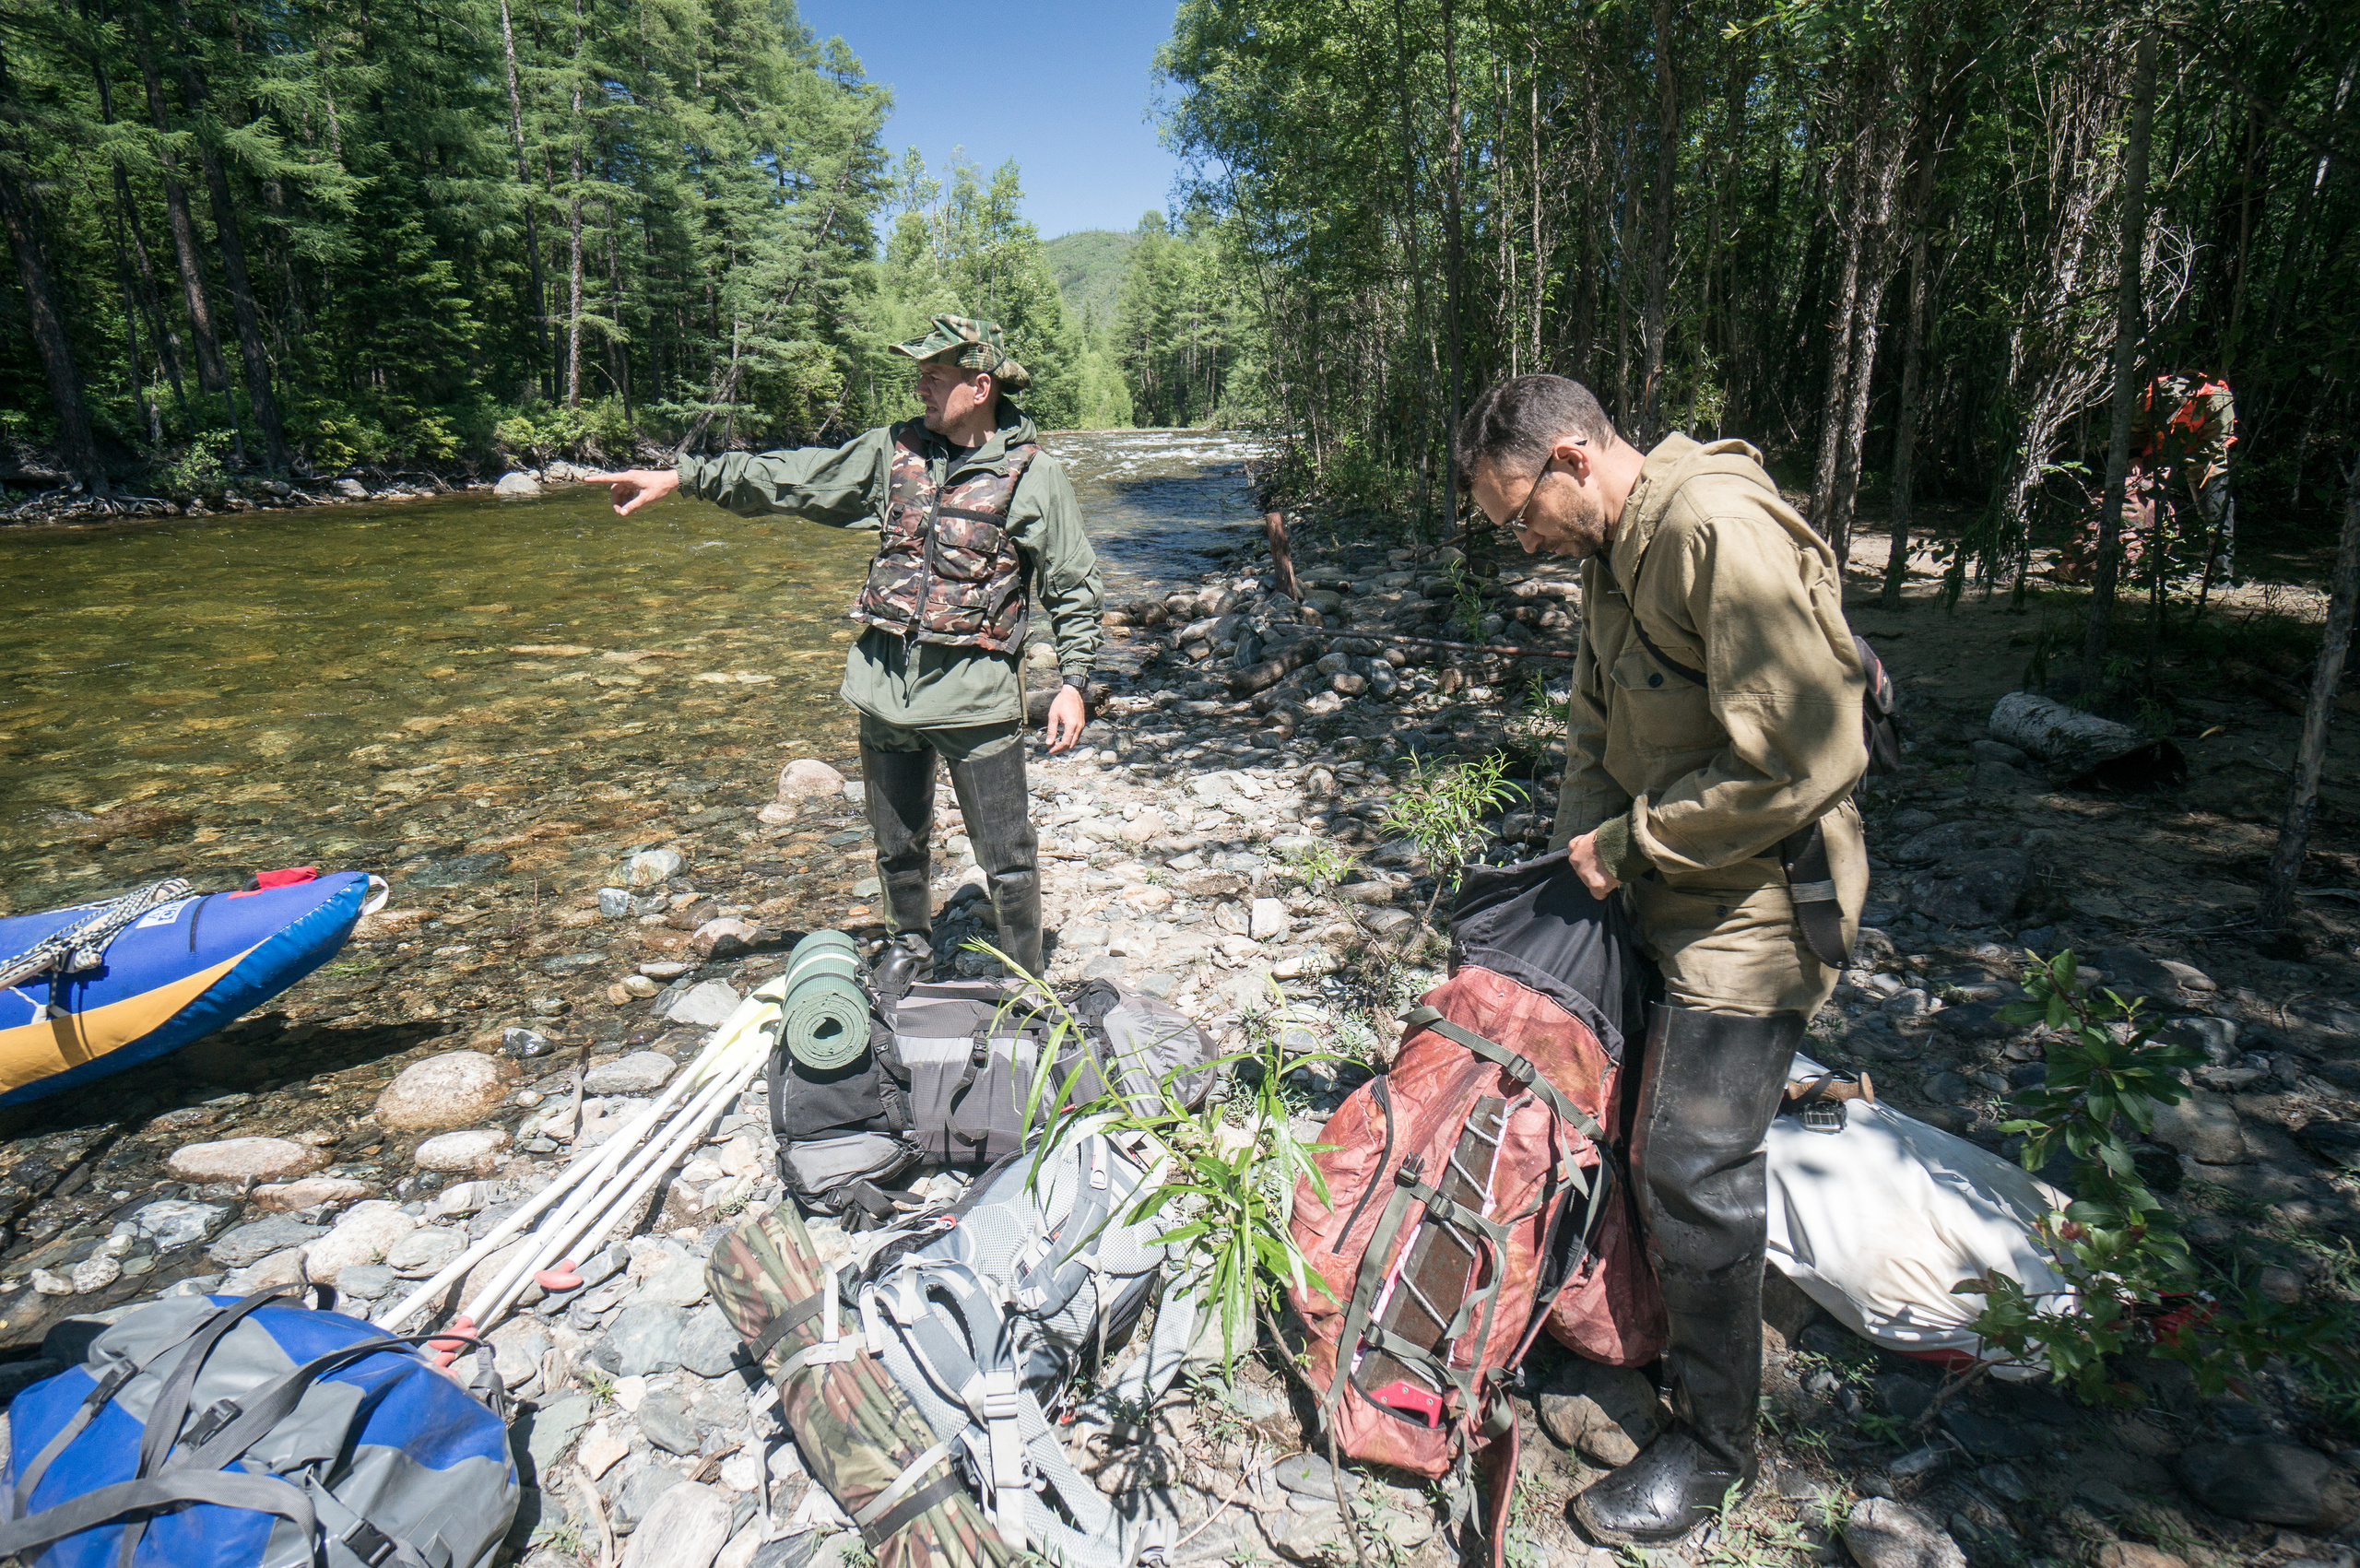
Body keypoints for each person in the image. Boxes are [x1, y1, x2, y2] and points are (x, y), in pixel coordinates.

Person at [1455, 375, 1869, 1544]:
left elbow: (1812, 751)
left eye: (1520, 514)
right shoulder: (1609, 555)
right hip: (1662, 884)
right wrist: (1571, 875)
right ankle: (1628, 1325)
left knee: (1690, 1162)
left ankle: (1716, 1446)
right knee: (1619, 1112)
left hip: (1757, 904)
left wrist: (1631, 842)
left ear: (1574, 459)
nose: (1522, 541)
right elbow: (1597, 729)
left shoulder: (1709, 531)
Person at [585, 314, 1104, 995]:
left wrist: (1074, 681)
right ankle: (906, 948)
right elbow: (793, 477)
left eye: (935, 377)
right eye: (918, 375)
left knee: (1006, 857)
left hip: (976, 702)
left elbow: (1072, 582)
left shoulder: (1034, 476)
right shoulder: (890, 453)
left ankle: (1024, 979)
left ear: (980, 388)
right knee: (897, 847)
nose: (920, 388)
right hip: (883, 689)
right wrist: (686, 477)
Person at [2133, 370, 2237, 586]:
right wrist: (2133, 457)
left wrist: (2181, 464)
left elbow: (2216, 442)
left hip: (2205, 459)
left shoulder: (2216, 399)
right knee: (2138, 506)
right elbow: (2136, 429)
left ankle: (2221, 576)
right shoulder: (2150, 395)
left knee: (2216, 515)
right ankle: (2138, 565)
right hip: (2158, 453)